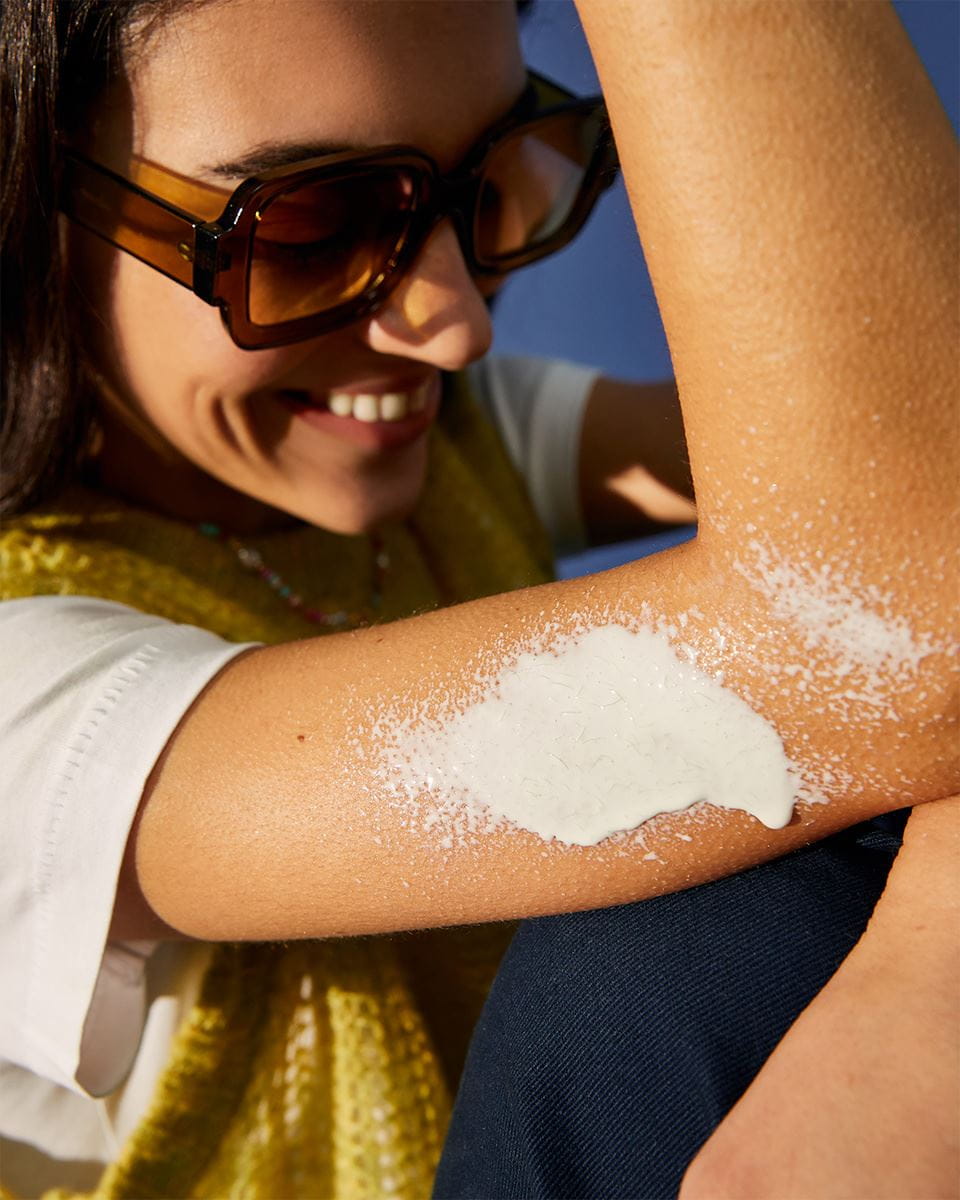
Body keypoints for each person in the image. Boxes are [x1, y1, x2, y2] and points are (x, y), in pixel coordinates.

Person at [1, 0, 956, 1197]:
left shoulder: (452, 444)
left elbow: (907, 542)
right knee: (707, 947)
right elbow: (882, 637)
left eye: (498, 178)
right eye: (308, 223)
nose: (455, 326)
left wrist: (933, 963)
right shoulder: (23, 705)